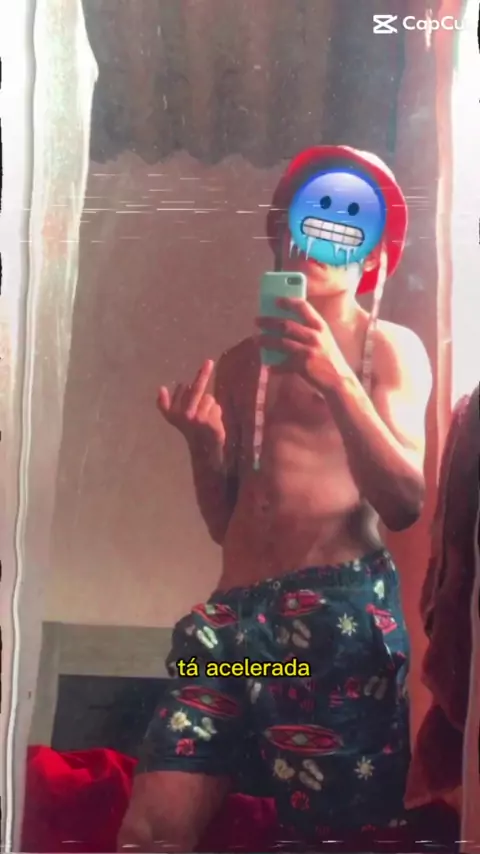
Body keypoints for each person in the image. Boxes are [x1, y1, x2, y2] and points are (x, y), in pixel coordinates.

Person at [118, 146, 432, 851]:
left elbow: (405, 501)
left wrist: (336, 379)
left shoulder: (389, 348)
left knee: (337, 838)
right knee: (149, 831)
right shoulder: (239, 363)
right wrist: (204, 449)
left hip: (333, 617)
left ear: (372, 252)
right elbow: (224, 525)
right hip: (231, 623)